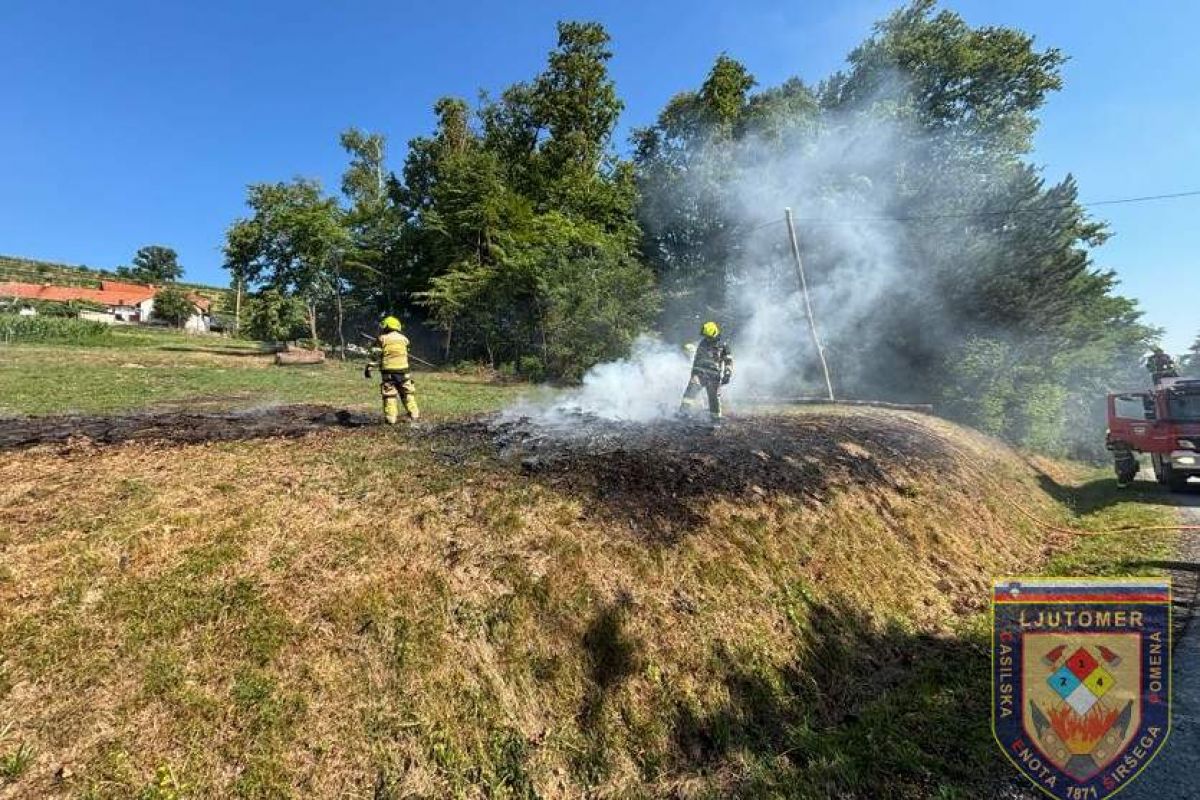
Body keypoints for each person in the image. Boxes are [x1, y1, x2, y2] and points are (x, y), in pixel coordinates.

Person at [364, 316, 419, 424]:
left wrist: (369, 366)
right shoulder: (404, 339)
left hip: (388, 373)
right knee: (407, 393)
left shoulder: (382, 338)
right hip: (404, 372)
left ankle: (391, 419)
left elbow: (376, 356)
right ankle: (414, 415)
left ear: (386, 326)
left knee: (390, 395)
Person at [679, 321, 733, 424]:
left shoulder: (723, 345)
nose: (707, 339)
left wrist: (727, 373)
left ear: (713, 333)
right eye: (705, 337)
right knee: (690, 392)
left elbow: (728, 361)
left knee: (713, 398)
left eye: (708, 337)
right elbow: (697, 360)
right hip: (700, 373)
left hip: (714, 376)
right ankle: (683, 414)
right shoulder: (703, 343)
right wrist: (693, 374)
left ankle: (715, 420)